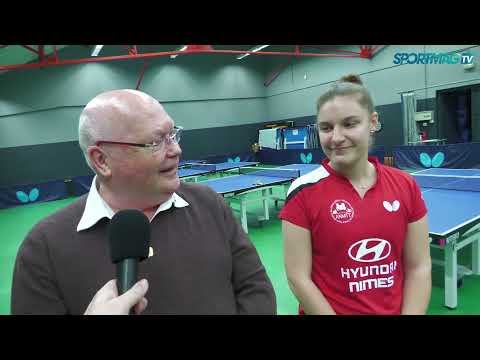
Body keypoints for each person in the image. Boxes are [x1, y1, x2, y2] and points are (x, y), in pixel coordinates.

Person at [11, 89, 276, 315]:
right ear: (101, 160)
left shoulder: (210, 204)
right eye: (155, 142)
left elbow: (255, 289)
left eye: (173, 135)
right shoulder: (43, 248)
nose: (176, 150)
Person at [280, 74, 431, 315]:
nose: (336, 138)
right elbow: (299, 278)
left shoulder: (405, 185)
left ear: (372, 122)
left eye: (349, 124)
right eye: (326, 128)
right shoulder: (302, 192)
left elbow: (419, 267)